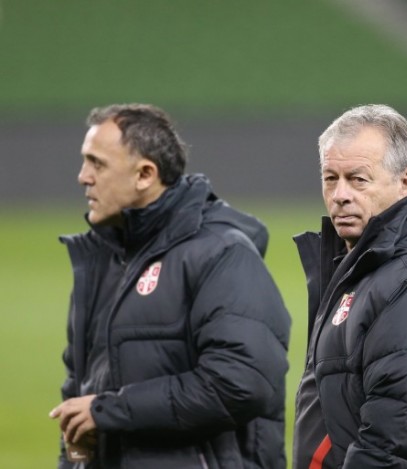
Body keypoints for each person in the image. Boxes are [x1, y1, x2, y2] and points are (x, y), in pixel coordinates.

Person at [48, 103, 291, 468]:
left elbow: (241, 382)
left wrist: (110, 410)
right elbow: (77, 401)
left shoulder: (221, 252)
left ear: (145, 174)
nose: (83, 176)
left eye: (97, 163)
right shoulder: (100, 262)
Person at [292, 104, 407, 468]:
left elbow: (400, 438)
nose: (340, 194)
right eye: (330, 178)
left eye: (358, 179)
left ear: (405, 182)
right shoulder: (363, 266)